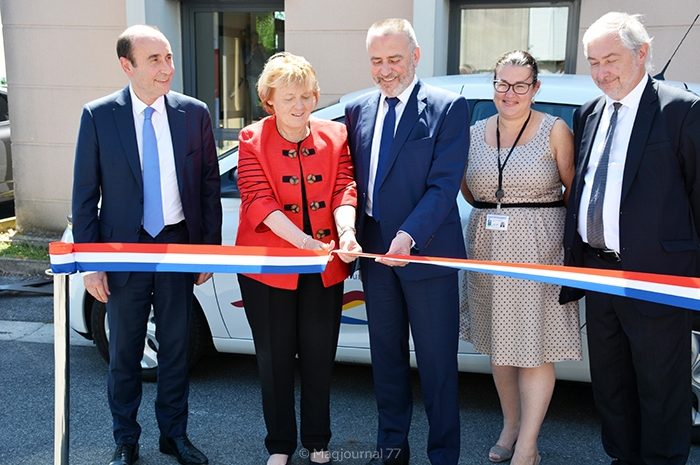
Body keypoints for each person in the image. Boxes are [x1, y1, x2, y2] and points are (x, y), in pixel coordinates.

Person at [71, 25, 221, 465]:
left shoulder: (193, 114)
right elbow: (84, 195)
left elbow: (209, 187)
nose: (167, 68)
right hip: (123, 253)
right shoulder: (99, 116)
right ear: (127, 65)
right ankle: (125, 440)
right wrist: (91, 263)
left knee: (176, 350)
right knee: (124, 352)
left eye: (169, 57)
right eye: (154, 60)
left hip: (177, 247)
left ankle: (174, 436)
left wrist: (206, 250)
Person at [560, 12, 700, 465]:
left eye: (611, 59)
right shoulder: (589, 113)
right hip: (600, 275)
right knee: (612, 386)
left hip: (658, 279)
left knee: (661, 390)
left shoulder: (680, 110)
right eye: (593, 61)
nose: (602, 72)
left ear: (642, 53)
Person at [344, 18, 469, 465]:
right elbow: (351, 183)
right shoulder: (357, 109)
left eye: (394, 59)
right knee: (387, 364)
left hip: (427, 255)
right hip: (376, 256)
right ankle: (391, 453)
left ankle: (442, 457)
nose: (385, 69)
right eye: (377, 61)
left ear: (416, 56)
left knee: (437, 368)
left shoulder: (448, 108)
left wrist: (408, 235)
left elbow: (443, 185)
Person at [235, 52, 361, 465]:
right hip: (269, 270)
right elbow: (259, 201)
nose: (299, 105)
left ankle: (318, 440)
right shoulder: (251, 139)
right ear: (269, 99)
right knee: (273, 359)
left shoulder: (336, 136)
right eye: (288, 96)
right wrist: (304, 243)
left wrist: (346, 232)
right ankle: (280, 445)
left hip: (325, 269)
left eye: (306, 96)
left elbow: (345, 187)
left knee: (319, 355)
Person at [459, 50, 581, 465]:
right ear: (492, 84)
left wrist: (533, 224)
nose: (509, 93)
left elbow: (573, 190)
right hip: (488, 247)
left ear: (535, 88)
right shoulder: (474, 132)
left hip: (539, 251)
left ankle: (528, 443)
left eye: (520, 85)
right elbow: (470, 192)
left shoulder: (555, 130)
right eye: (502, 84)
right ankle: (510, 426)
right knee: (500, 347)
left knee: (535, 347)